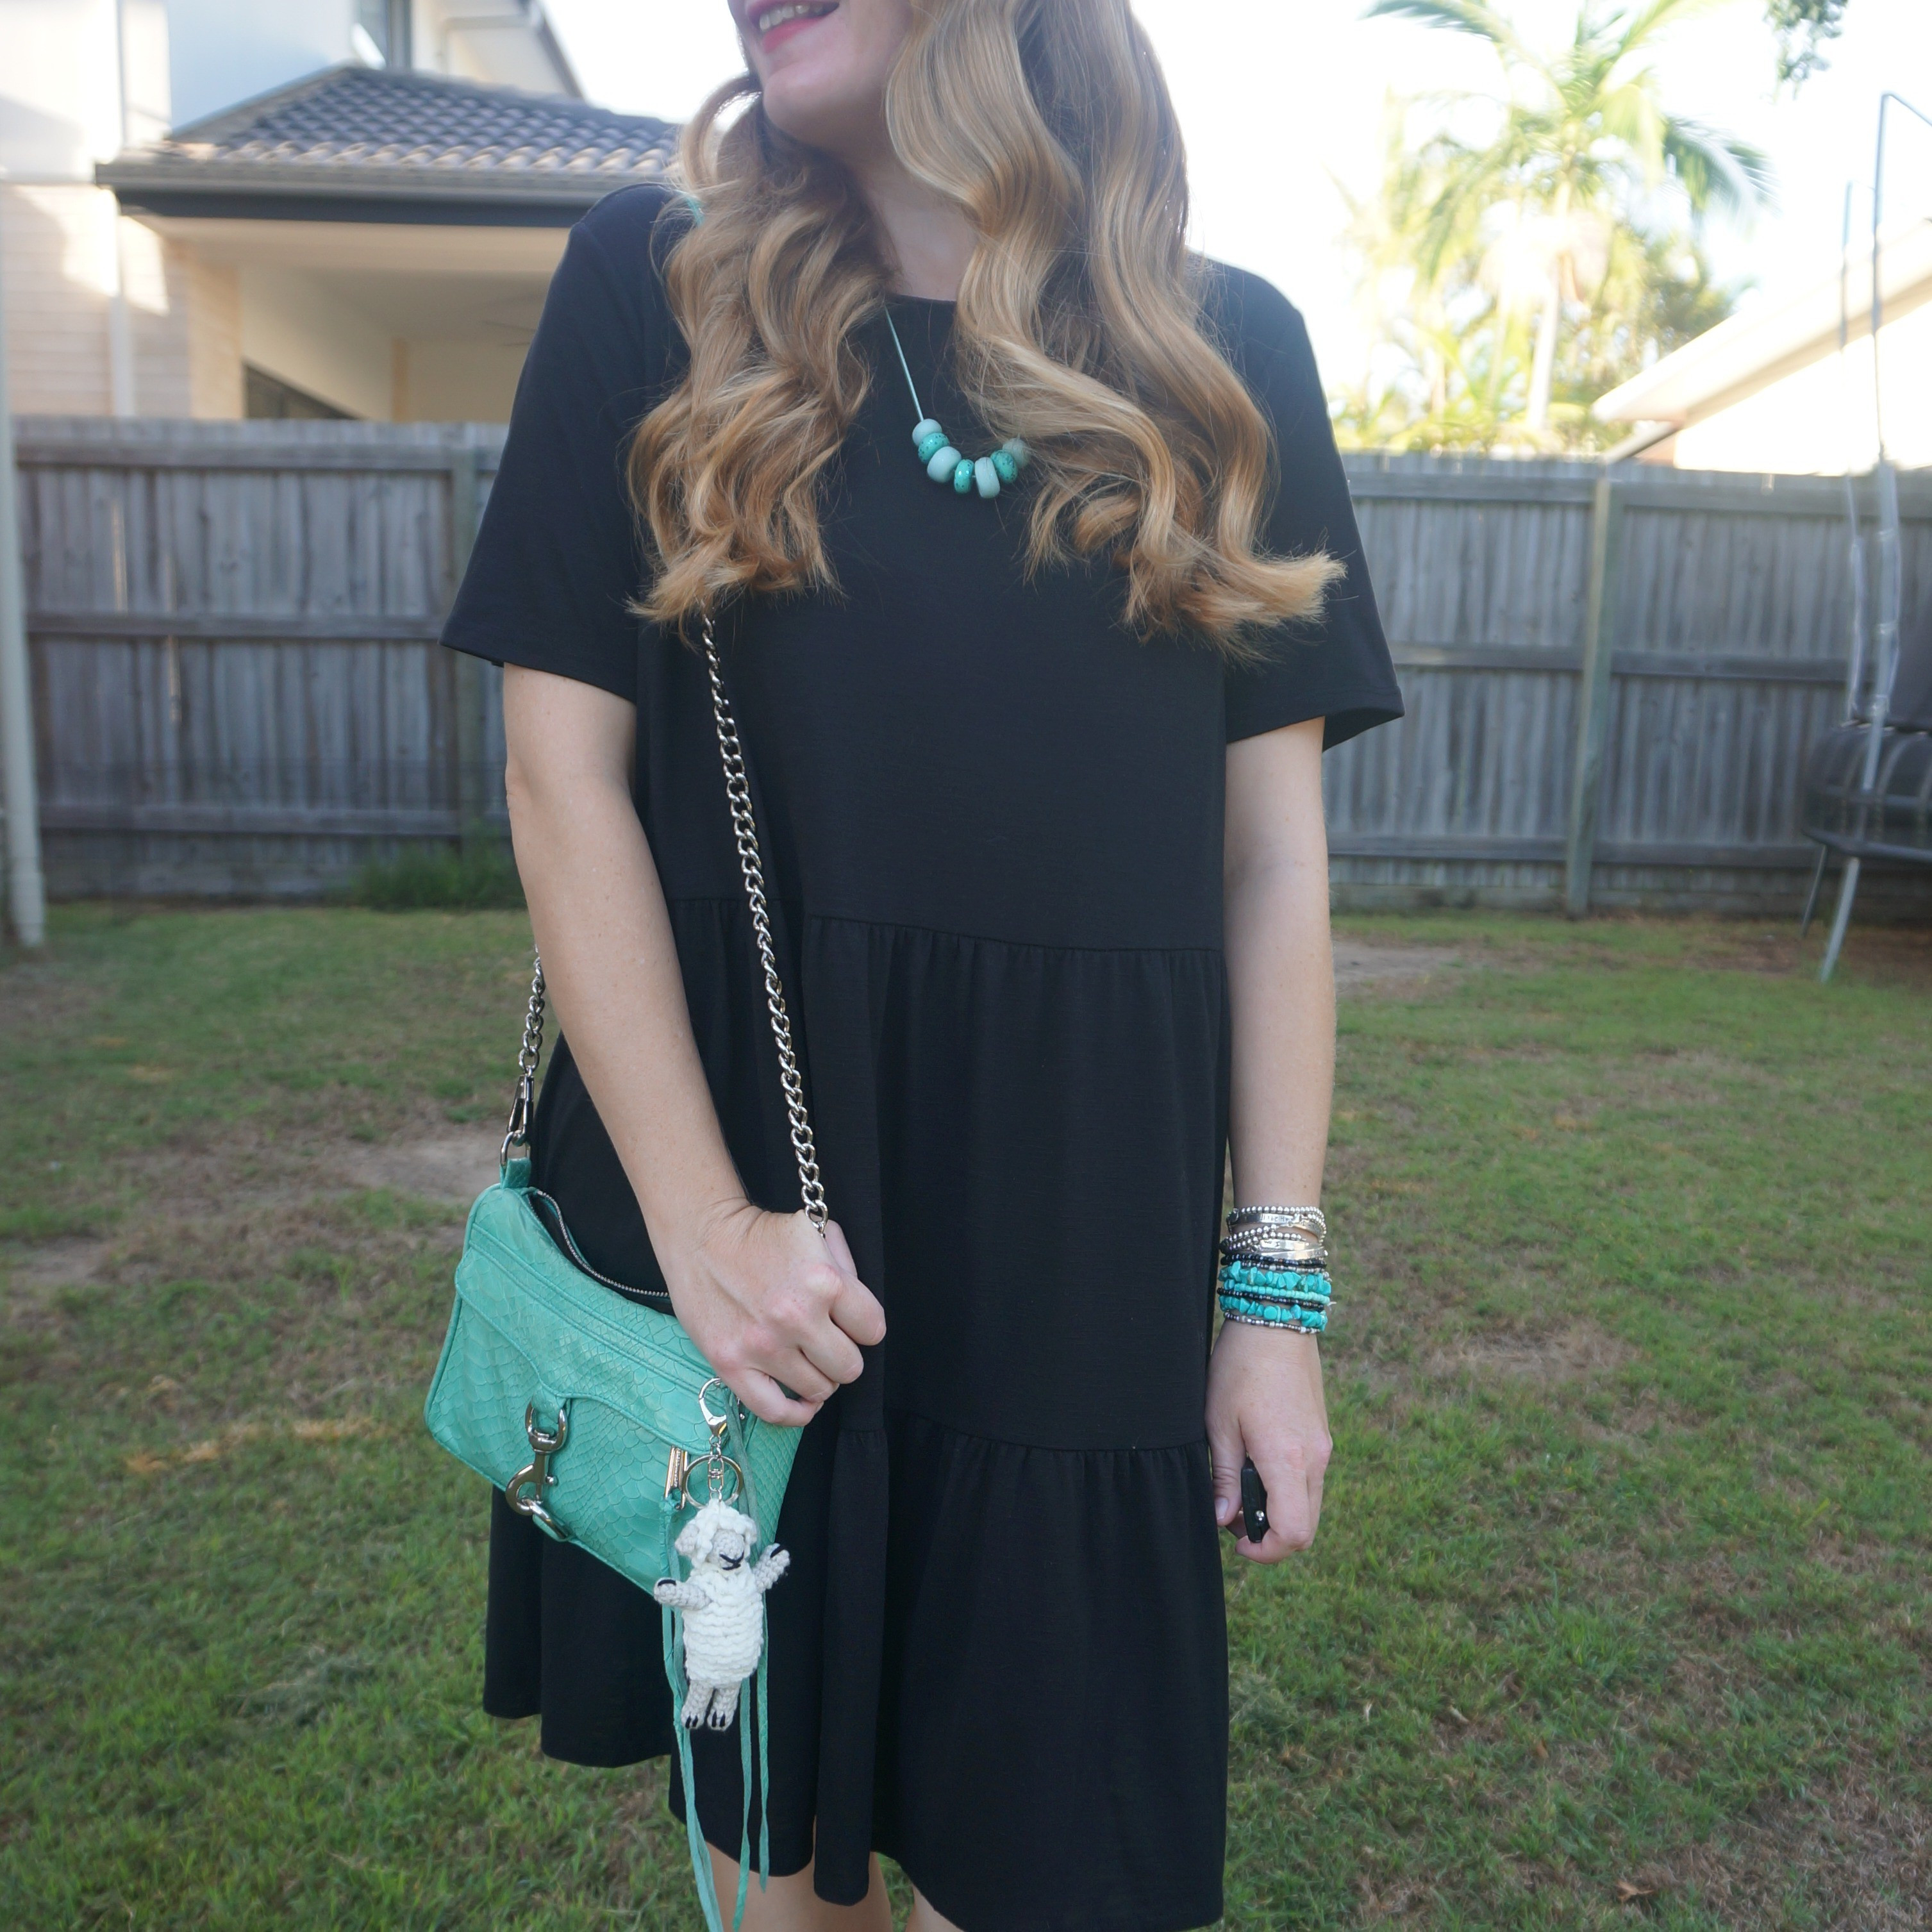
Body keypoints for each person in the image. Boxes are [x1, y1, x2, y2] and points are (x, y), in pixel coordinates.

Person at [442, 1, 1403, 1926]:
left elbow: (1272, 861)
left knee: (1047, 1859)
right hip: (771, 1252)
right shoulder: (660, 289)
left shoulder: (1226, 353)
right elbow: (563, 782)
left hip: (1083, 1259)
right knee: (787, 1867)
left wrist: (1273, 1299)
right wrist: (708, 1232)